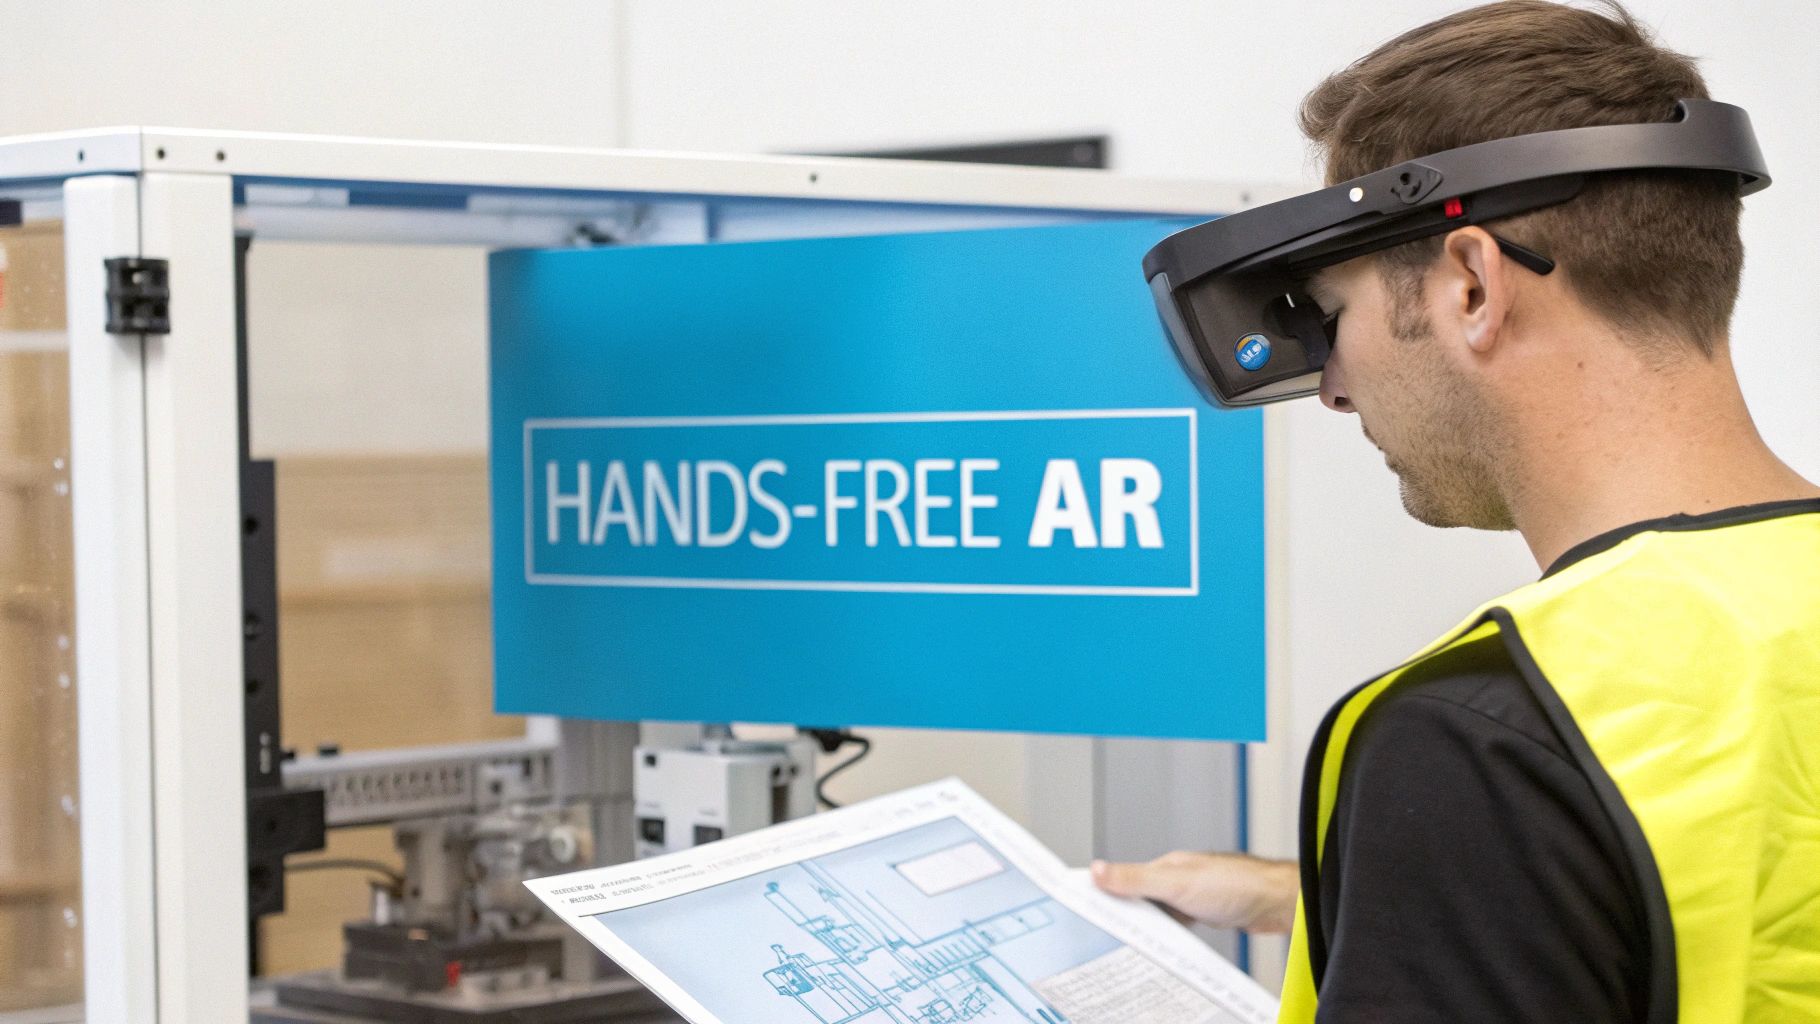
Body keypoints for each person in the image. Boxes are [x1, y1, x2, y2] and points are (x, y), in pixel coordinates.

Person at [1093, 3, 1820, 1022]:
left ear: (1472, 284)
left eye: (1329, 317)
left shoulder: (1481, 739)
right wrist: (1368, 899)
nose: (1335, 388)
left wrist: (1430, 856)